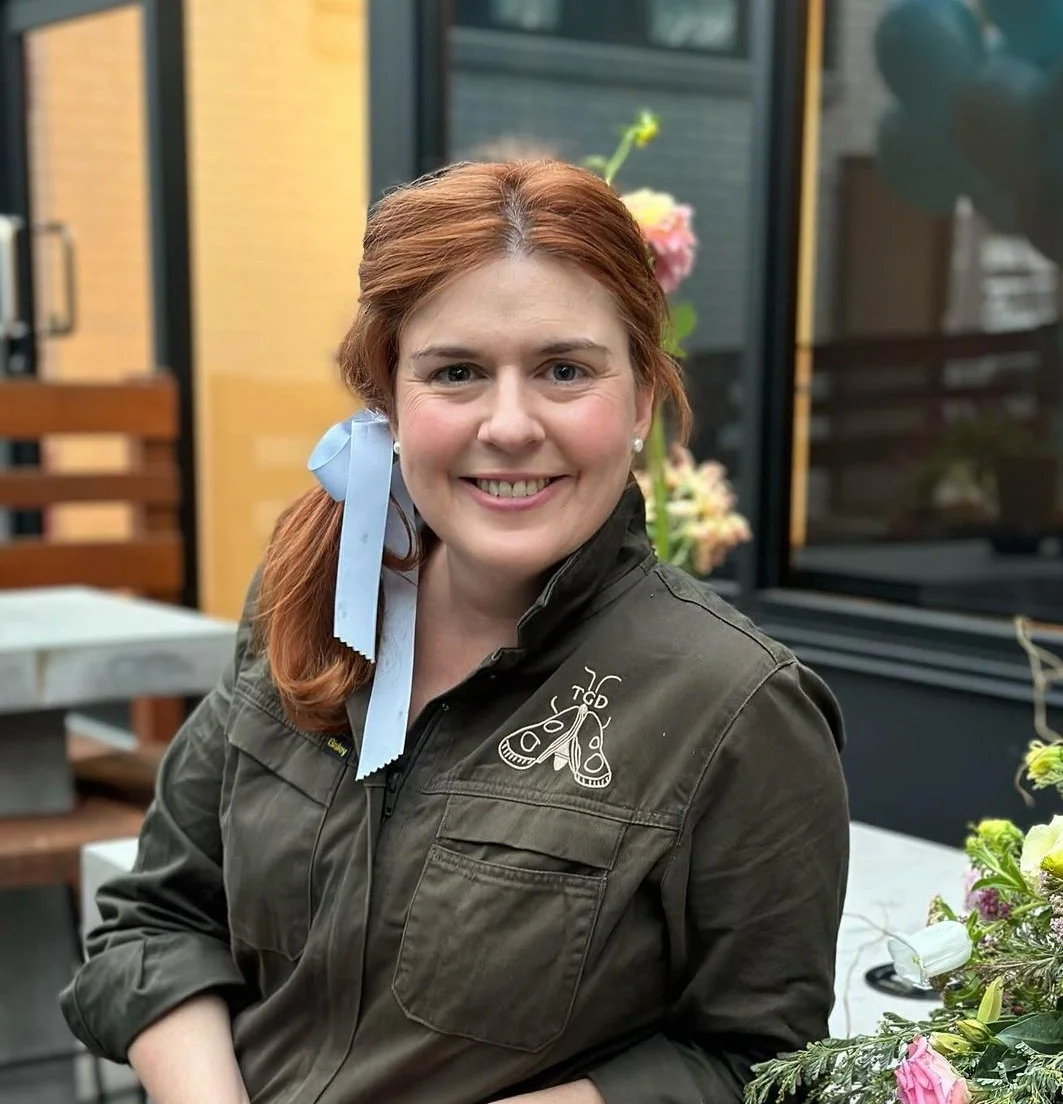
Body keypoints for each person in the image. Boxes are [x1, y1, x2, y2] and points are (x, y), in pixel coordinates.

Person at [60, 159, 850, 1104]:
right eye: (456, 372)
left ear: (641, 398)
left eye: (564, 370)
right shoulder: (307, 604)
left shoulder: (736, 708)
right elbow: (156, 918)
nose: (508, 425)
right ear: (389, 398)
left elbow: (764, 1067)